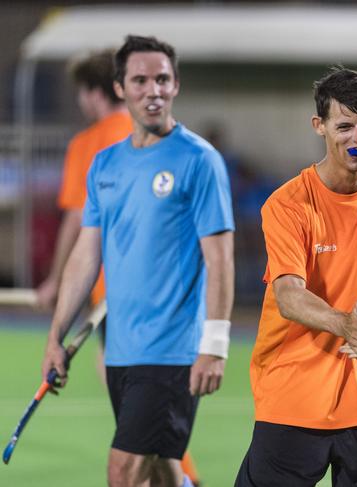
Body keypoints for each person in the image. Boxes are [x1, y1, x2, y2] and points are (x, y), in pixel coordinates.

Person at [41, 35, 235, 487]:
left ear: (176, 86)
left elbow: (220, 259)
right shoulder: (105, 164)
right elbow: (85, 256)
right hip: (122, 350)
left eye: (163, 79)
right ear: (120, 87)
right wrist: (56, 335)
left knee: (123, 470)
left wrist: (215, 345)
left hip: (173, 349)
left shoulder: (199, 160)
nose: (154, 90)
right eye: (141, 80)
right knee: (162, 469)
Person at [234, 66, 357, 487]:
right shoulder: (287, 204)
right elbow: (289, 296)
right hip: (293, 397)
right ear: (319, 126)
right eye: (345, 127)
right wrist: (345, 323)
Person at [36, 49, 132, 309]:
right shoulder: (152, 136)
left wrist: (56, 281)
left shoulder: (86, 144)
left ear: (97, 94)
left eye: (81, 91)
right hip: (159, 281)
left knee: (110, 351)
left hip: (109, 282)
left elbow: (77, 216)